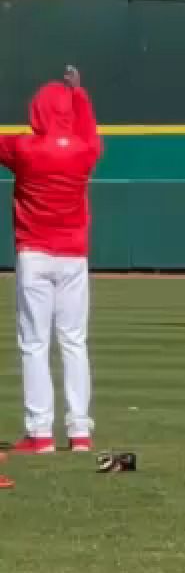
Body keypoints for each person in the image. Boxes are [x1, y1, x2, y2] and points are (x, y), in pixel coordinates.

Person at [0, 66, 101, 454]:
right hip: (74, 257)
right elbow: (89, 132)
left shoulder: (23, 148)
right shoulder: (85, 151)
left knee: (34, 344)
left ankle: (40, 433)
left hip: (34, 255)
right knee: (74, 342)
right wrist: (80, 96)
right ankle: (79, 433)